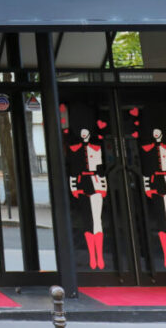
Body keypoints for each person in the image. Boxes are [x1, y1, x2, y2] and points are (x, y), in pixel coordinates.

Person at [66, 106, 108, 270]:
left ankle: (99, 256)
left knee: (97, 219)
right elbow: (73, 172)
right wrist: (74, 187)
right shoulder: (75, 151)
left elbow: (100, 169)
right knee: (87, 220)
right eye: (81, 132)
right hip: (83, 184)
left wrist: (103, 187)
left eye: (86, 132)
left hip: (95, 183)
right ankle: (93, 255)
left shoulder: (96, 149)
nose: (84, 134)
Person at [140, 113, 166, 270]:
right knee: (161, 221)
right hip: (156, 185)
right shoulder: (148, 150)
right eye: (154, 132)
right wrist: (148, 188)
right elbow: (146, 172)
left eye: (158, 131)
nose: (156, 134)